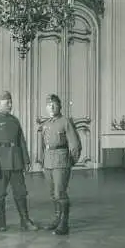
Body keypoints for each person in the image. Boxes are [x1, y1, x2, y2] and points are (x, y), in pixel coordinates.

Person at [0, 91, 38, 232]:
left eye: (11, 102)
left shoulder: (14, 121)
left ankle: (25, 221)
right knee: (0, 193)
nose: (10, 105)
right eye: (7, 102)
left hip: (16, 162)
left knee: (21, 192)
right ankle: (2, 221)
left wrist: (26, 160)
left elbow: (21, 141)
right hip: (1, 164)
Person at [40, 94, 81, 235]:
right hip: (48, 162)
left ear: (60, 106)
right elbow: (42, 144)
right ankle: (57, 219)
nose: (51, 107)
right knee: (53, 194)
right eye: (48, 104)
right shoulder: (46, 124)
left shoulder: (65, 122)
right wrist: (43, 162)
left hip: (61, 161)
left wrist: (70, 161)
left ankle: (64, 224)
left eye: (54, 104)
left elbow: (75, 145)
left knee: (60, 193)